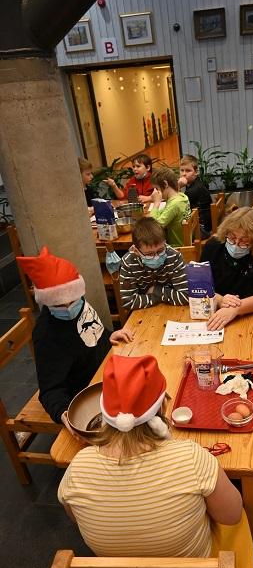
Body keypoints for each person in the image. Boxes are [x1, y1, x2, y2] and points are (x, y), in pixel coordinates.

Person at [58, 354, 253, 568]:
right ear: (161, 407)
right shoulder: (192, 457)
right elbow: (231, 516)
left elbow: (75, 517)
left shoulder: (78, 467)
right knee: (235, 513)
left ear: (103, 412)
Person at [16, 247, 134, 430]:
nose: (68, 307)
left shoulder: (80, 303)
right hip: (84, 392)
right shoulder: (46, 334)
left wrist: (108, 335)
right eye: (59, 305)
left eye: (72, 300)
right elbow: (50, 390)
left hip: (105, 369)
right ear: (47, 302)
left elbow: (93, 333)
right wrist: (64, 413)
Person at [201, 207, 253, 331]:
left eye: (244, 241)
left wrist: (236, 309)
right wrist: (220, 299)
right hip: (214, 310)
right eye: (232, 238)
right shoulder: (213, 246)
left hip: (251, 317)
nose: (236, 245)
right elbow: (201, 285)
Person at [119, 217, 189, 310]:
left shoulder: (174, 257)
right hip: (144, 313)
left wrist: (156, 291)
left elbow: (186, 296)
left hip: (172, 309)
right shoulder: (128, 263)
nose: (156, 257)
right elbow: (129, 302)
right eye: (149, 254)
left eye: (160, 251)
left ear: (165, 242)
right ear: (136, 251)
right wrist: (158, 296)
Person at [148, 166, 191, 247]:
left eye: (156, 188)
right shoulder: (181, 197)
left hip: (176, 247)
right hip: (183, 242)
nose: (155, 192)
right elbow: (164, 213)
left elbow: (153, 228)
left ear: (165, 184)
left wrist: (156, 203)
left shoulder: (174, 204)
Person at [178, 154, 212, 238]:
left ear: (196, 172)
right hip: (202, 225)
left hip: (202, 230)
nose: (184, 174)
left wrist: (178, 186)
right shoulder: (194, 184)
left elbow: (178, 205)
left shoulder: (194, 189)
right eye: (182, 170)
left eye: (188, 171)